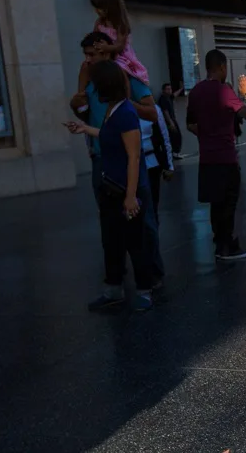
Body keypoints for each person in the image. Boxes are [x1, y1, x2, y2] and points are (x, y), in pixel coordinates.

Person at [64, 60, 154, 312]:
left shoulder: (125, 112)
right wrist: (85, 128)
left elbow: (134, 157)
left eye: (95, 85)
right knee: (112, 241)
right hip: (111, 187)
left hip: (126, 189)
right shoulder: (113, 110)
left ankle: (144, 291)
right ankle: (113, 288)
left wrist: (131, 196)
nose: (92, 90)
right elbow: (109, 136)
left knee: (135, 243)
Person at [186, 49, 246, 261]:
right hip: (225, 157)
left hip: (207, 158)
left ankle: (220, 243)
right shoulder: (224, 91)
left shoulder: (196, 91)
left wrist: (207, 134)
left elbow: (190, 124)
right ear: (222, 67)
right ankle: (227, 247)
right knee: (228, 203)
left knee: (216, 204)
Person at [77, 0, 150, 104]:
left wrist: (107, 48)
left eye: (100, 8)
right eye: (95, 8)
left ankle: (125, 99)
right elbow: (95, 36)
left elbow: (120, 46)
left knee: (119, 70)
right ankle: (81, 95)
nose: (97, 11)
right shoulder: (99, 22)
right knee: (85, 66)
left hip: (120, 56)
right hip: (103, 54)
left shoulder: (120, 23)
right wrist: (90, 38)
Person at [157, 82, 184, 158]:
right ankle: (175, 153)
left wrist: (181, 89)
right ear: (163, 90)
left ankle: (175, 152)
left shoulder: (169, 97)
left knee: (176, 136)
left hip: (172, 120)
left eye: (170, 89)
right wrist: (171, 122)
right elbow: (165, 112)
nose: (169, 90)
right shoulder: (163, 99)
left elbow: (174, 95)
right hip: (168, 121)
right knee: (175, 136)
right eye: (167, 89)